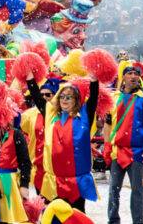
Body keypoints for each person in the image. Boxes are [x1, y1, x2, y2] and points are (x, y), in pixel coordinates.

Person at [104, 66, 143, 224]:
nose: (133, 76)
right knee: (113, 189)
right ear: (123, 77)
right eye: (129, 73)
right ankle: (113, 220)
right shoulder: (114, 97)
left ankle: (138, 221)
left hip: (137, 151)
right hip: (117, 151)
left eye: (136, 74)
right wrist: (107, 144)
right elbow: (108, 123)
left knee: (137, 190)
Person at [40, 75, 100, 212]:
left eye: (69, 97)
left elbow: (93, 98)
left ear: (76, 100)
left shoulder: (85, 116)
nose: (64, 100)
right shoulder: (52, 116)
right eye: (62, 96)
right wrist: (30, 77)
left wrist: (94, 80)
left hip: (77, 181)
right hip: (56, 182)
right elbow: (38, 99)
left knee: (76, 216)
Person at [20, 76, 61, 194]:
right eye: (41, 94)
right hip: (38, 166)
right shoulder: (29, 115)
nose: (44, 97)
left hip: (57, 167)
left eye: (48, 94)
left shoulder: (62, 115)